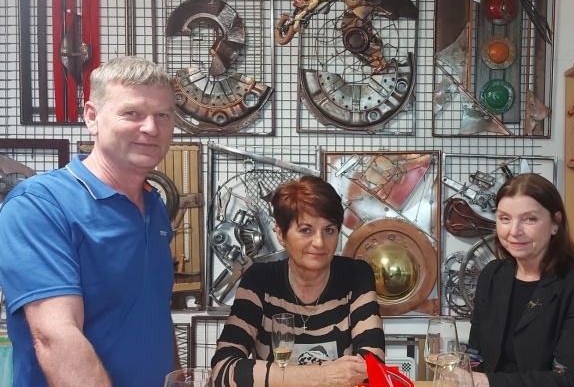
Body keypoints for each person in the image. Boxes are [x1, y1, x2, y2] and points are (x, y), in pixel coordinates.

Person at [0, 56, 179, 386]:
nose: (151, 128)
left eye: (162, 115)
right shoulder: (40, 205)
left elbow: (154, 315)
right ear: (92, 117)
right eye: (132, 113)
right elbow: (56, 337)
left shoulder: (153, 205)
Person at [211, 175, 385, 387]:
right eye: (305, 230)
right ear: (280, 234)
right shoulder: (260, 280)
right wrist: (323, 376)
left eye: (329, 230)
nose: (319, 242)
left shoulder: (355, 276)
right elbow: (223, 370)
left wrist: (279, 377)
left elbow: (372, 367)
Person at [468, 174, 574, 387]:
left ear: (555, 223)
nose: (514, 231)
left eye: (530, 219)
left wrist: (486, 382)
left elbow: (573, 379)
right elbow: (475, 353)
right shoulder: (492, 274)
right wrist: (463, 373)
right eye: (505, 218)